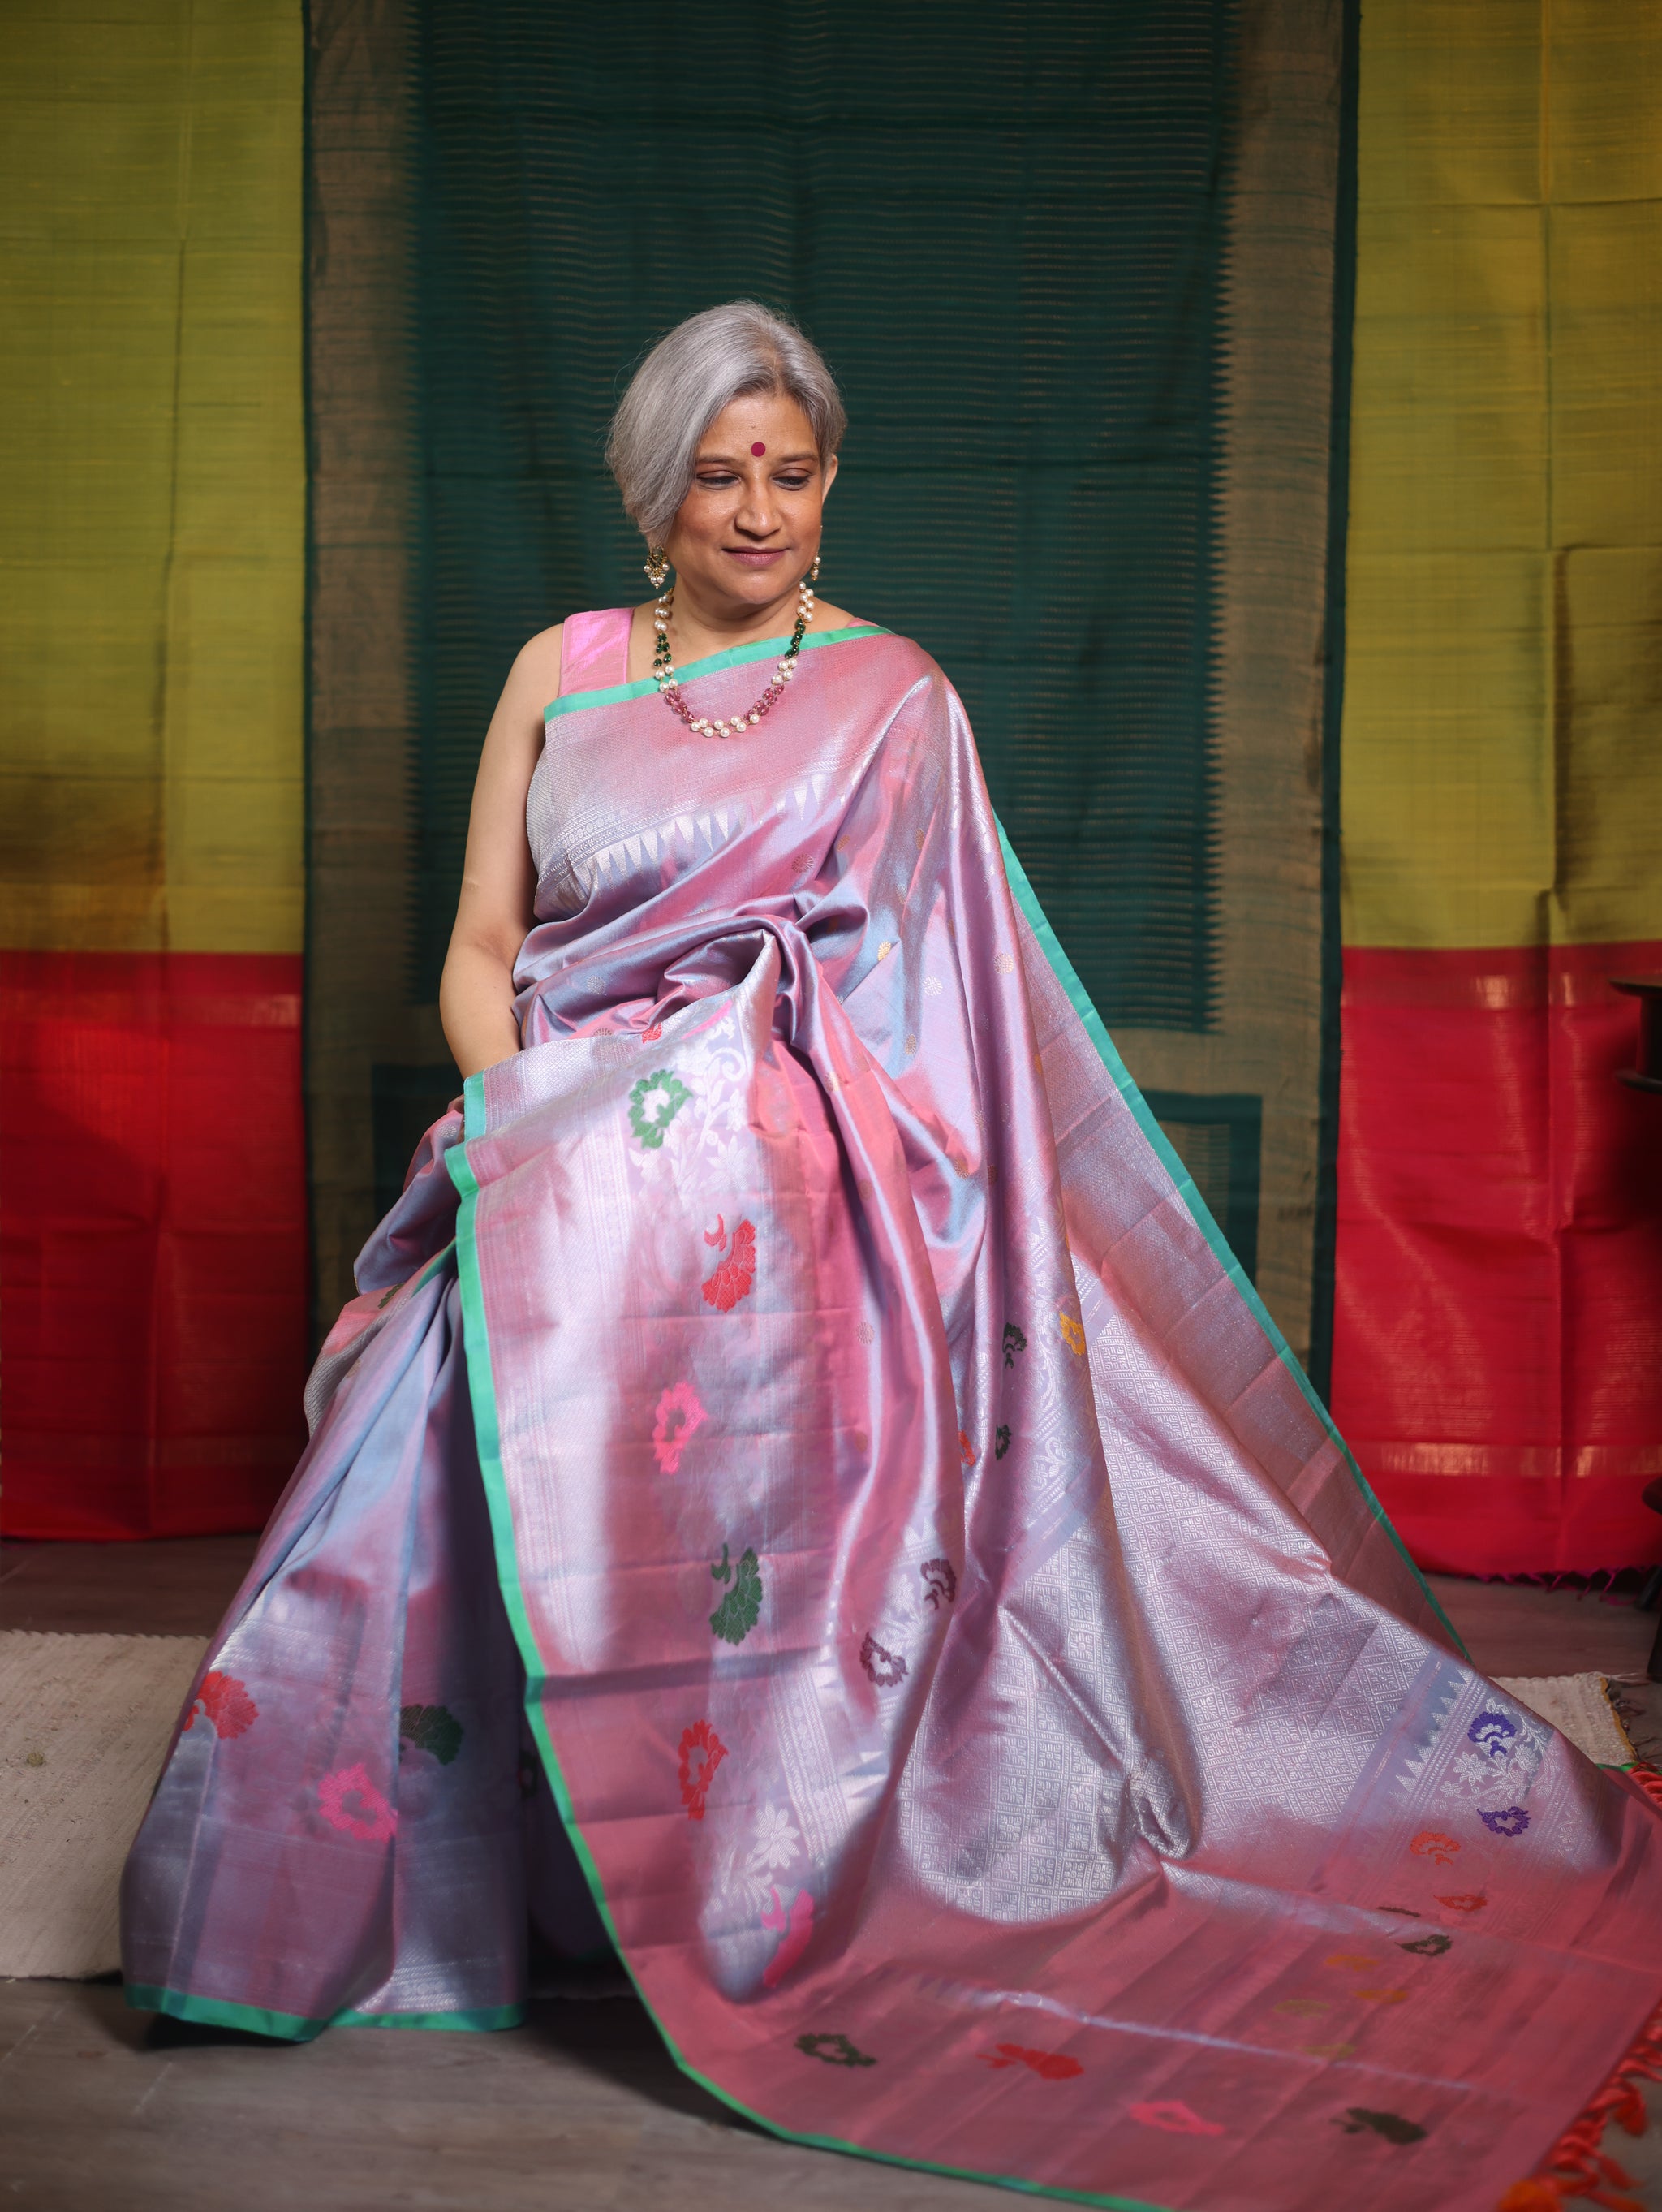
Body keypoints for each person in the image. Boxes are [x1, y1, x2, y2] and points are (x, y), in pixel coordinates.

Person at [122, 302, 1662, 2212]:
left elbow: (933, 1020)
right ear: (655, 492)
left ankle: (749, 1866)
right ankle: (347, 1900)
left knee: (685, 1309)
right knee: (431, 1396)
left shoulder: (894, 697)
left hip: (786, 1177)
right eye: (719, 475)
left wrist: (708, 1122)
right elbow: (479, 947)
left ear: (831, 478)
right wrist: (526, 1115)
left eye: (790, 471)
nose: (758, 509)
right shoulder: (560, 673)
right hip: (550, 1141)